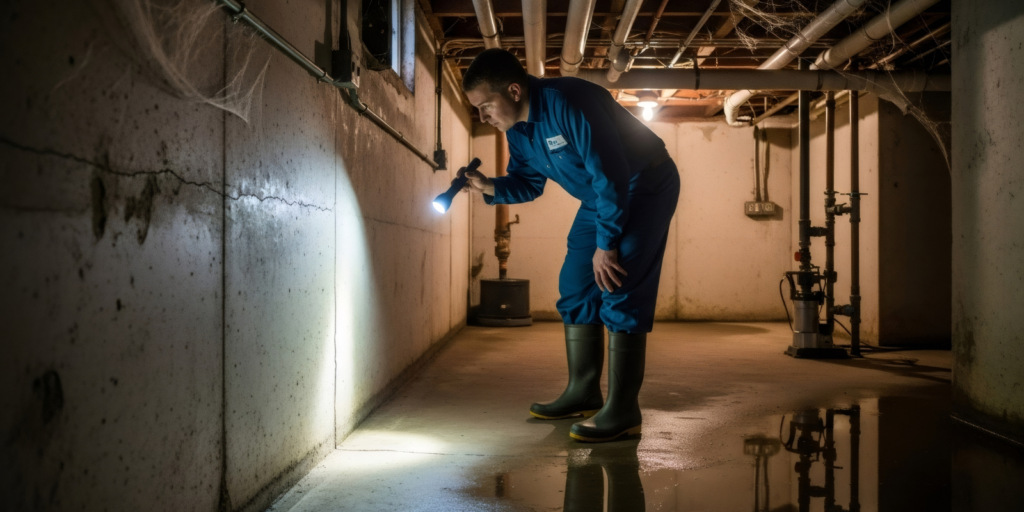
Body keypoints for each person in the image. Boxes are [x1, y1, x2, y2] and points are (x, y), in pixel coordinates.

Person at [458, 49, 680, 443]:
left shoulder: (569, 102)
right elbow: (529, 182)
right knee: (576, 285)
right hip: (601, 196)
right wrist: (489, 186)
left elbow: (610, 172)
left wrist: (607, 243)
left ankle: (624, 410)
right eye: (477, 110)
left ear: (512, 90)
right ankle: (584, 391)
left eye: (486, 106)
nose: (483, 117)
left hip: (642, 184)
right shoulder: (519, 132)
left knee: (617, 282)